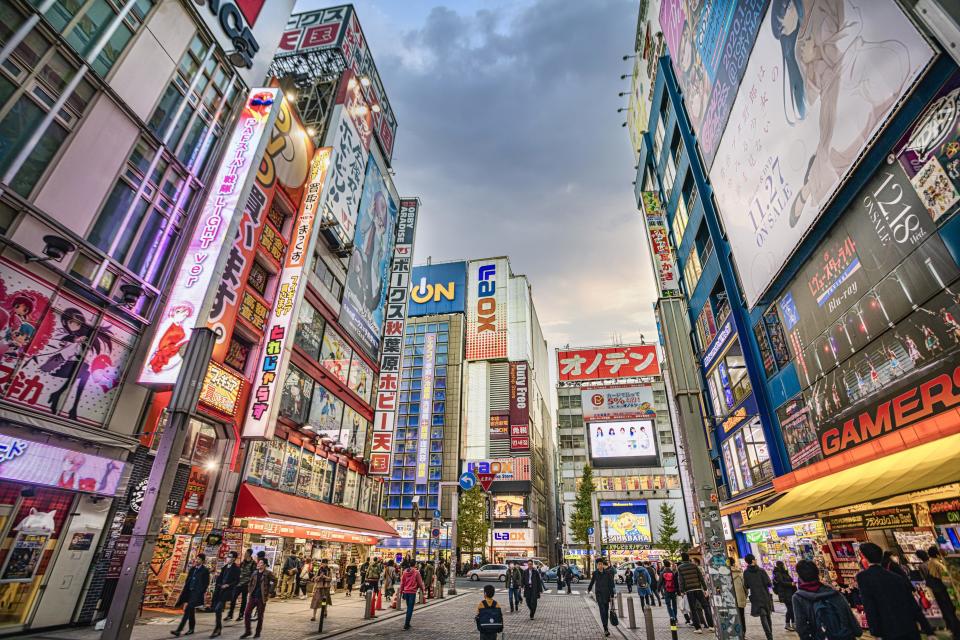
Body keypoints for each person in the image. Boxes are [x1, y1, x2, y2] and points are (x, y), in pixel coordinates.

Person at [858, 542, 936, 640]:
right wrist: (929, 631)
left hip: (889, 629)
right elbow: (912, 603)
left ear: (864, 557)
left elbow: (870, 606)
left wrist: (876, 632)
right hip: (909, 627)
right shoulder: (896, 577)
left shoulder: (863, 577)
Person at [793, 559, 862, 640]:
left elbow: (801, 626)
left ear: (800, 577)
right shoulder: (833, 592)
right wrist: (857, 631)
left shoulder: (798, 597)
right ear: (817, 573)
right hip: (845, 636)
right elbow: (847, 614)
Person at [924, 546, 960, 639]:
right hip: (945, 592)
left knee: (945, 611)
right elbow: (946, 579)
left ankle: (952, 630)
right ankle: (956, 631)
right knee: (951, 611)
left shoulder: (930, 562)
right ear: (937, 553)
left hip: (937, 592)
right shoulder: (939, 564)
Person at [172, 553, 210, 637]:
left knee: (187, 610)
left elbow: (206, 583)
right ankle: (191, 628)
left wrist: (200, 592)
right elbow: (188, 580)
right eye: (196, 559)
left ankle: (179, 630)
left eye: (199, 559)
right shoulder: (192, 569)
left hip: (196, 593)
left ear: (202, 561)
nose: (197, 560)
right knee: (191, 611)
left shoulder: (205, 570)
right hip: (189, 592)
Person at [677, 552, 714, 632]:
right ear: (688, 558)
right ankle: (711, 626)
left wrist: (682, 591)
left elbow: (680, 580)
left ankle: (698, 628)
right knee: (706, 607)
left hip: (689, 590)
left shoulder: (680, 567)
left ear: (682, 559)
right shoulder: (694, 566)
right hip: (698, 589)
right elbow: (700, 577)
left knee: (693, 610)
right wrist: (704, 588)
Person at [242, 558, 276, 639]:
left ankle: (257, 632)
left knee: (260, 616)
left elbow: (274, 580)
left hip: (262, 598)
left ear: (264, 565)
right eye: (259, 562)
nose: (258, 564)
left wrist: (270, 590)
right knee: (247, 613)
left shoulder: (268, 573)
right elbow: (250, 583)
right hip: (253, 597)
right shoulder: (254, 573)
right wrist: (249, 591)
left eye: (261, 563)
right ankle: (248, 631)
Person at [743, 554, 774, 640]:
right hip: (765, 596)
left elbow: (746, 585)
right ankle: (770, 636)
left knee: (763, 617)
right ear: (753, 560)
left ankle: (769, 636)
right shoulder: (761, 570)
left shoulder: (746, 572)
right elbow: (768, 583)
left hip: (755, 597)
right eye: (755, 559)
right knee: (768, 616)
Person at [211, 552, 240, 638]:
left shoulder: (236, 569)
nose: (228, 558)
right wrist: (218, 585)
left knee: (217, 609)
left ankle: (217, 628)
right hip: (220, 590)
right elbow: (219, 578)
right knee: (217, 610)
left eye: (230, 557)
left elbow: (236, 581)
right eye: (227, 556)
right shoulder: (224, 567)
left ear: (234, 558)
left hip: (228, 591)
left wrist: (228, 585)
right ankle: (218, 628)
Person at [588, 558, 617, 637]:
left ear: (603, 565)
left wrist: (612, 595)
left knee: (606, 611)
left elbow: (611, 584)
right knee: (602, 611)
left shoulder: (608, 573)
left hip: (607, 595)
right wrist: (589, 589)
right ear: (597, 565)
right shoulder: (595, 573)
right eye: (598, 564)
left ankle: (606, 626)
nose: (600, 566)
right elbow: (592, 582)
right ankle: (605, 629)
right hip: (599, 595)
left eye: (601, 564)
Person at [227, 549, 255, 621]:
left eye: (245, 553)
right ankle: (230, 614)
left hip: (246, 584)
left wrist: (250, 583)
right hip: (239, 583)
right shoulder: (243, 562)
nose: (244, 554)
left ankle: (241, 615)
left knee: (244, 600)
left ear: (249, 554)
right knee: (233, 598)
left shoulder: (253, 563)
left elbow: (253, 575)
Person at [400, 560, 425, 630]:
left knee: (409, 607)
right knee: (410, 608)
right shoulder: (416, 572)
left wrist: (401, 591)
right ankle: (406, 625)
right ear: (415, 564)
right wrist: (423, 590)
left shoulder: (405, 572)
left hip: (406, 592)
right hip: (412, 592)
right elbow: (420, 583)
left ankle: (408, 623)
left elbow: (402, 582)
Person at [773, 559, 798, 631]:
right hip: (785, 594)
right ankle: (788, 624)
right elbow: (782, 583)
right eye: (783, 565)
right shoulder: (778, 573)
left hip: (789, 593)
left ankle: (793, 624)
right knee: (790, 609)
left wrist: (792, 583)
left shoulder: (784, 572)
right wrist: (791, 584)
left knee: (792, 609)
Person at [728, 557, 747, 633]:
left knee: (732, 617)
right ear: (733, 563)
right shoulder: (739, 572)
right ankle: (743, 632)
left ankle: (735, 633)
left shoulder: (725, 574)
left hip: (729, 599)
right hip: (740, 598)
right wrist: (745, 595)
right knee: (741, 616)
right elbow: (745, 586)